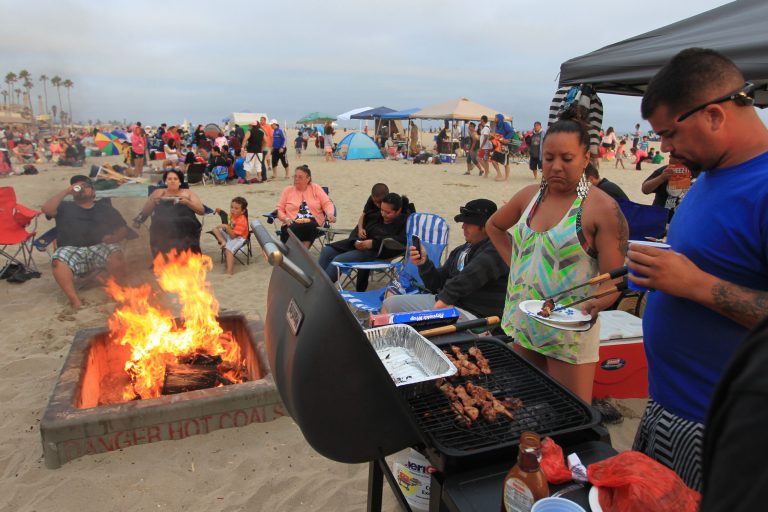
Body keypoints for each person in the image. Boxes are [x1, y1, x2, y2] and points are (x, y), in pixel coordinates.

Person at [626, 48, 768, 491]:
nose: (664, 147)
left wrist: (697, 285)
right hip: (669, 405)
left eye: (669, 133)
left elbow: (699, 280)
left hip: (722, 426)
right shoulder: (710, 173)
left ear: (713, 116)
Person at [486, 113, 628, 403]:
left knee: (569, 416)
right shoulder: (529, 197)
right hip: (525, 324)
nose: (556, 167)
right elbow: (494, 227)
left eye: (567, 158)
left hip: (568, 334)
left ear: (585, 158)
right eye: (549, 158)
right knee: (524, 408)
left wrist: (595, 303)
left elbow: (615, 279)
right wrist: (518, 268)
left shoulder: (600, 209)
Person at [382, 199, 509, 321]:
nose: (463, 227)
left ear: (484, 226)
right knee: (390, 304)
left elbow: (470, 276)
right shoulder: (462, 250)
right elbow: (436, 284)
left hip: (475, 314)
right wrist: (424, 264)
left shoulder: (498, 247)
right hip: (447, 302)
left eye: (468, 223)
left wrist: (445, 299)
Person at [41, 175, 129, 309]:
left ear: (93, 191)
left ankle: (116, 292)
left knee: (116, 253)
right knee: (57, 261)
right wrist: (66, 191)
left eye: (86, 186)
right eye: (78, 187)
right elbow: (46, 209)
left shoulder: (104, 207)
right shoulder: (64, 206)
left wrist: (114, 238)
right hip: (71, 249)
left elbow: (123, 228)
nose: (82, 189)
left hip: (99, 246)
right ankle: (75, 301)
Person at [317, 192, 412, 283]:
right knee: (327, 251)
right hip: (360, 244)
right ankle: (316, 283)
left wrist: (374, 244)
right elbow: (359, 226)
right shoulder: (376, 214)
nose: (383, 214)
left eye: (388, 212)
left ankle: (323, 287)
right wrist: (355, 240)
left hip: (377, 252)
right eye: (382, 210)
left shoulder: (406, 222)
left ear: (398, 210)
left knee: (338, 260)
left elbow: (402, 241)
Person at [133, 169, 205, 257]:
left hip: (186, 220)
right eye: (169, 179)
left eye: (175, 179)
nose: (172, 181)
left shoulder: (188, 193)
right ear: (165, 181)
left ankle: (189, 256)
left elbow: (201, 211)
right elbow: (145, 212)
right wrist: (153, 202)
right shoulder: (158, 192)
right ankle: (163, 258)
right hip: (163, 221)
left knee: (186, 222)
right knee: (161, 223)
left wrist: (187, 202)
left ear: (180, 182)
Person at [276, 165, 335, 248]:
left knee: (309, 225)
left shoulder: (315, 188)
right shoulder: (288, 190)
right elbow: (279, 209)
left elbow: (327, 203)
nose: (296, 179)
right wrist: (285, 218)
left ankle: (300, 253)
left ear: (308, 179)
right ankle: (301, 253)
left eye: (300, 177)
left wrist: (329, 213)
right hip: (291, 221)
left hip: (313, 222)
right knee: (290, 228)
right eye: (295, 176)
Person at [641, 157, 698, 223]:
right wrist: (661, 178)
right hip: (662, 219)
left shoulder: (700, 171)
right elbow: (645, 189)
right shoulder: (666, 170)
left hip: (687, 219)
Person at [211, 197, 249, 275]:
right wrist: (219, 211)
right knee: (215, 229)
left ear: (242, 211)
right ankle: (223, 242)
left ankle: (229, 271)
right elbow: (225, 216)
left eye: (236, 208)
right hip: (230, 234)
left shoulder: (242, 220)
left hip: (239, 238)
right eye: (231, 207)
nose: (232, 210)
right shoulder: (232, 215)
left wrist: (226, 227)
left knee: (228, 250)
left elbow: (233, 237)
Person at [494, 113, 515, 180]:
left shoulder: (505, 124)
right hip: (498, 146)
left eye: (496, 118)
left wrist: (505, 138)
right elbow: (498, 135)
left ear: (499, 118)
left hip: (504, 145)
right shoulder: (497, 126)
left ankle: (506, 178)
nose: (495, 119)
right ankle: (499, 174)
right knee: (493, 160)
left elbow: (511, 132)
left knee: (506, 163)